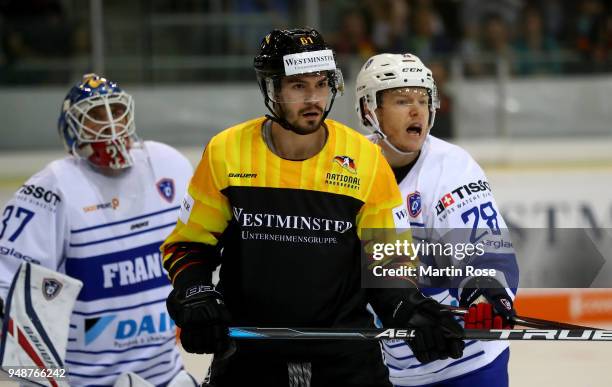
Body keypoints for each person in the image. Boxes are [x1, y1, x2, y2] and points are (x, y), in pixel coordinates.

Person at [161, 28, 464, 387]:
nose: (313, 99)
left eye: (321, 84)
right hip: (251, 358)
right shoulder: (226, 151)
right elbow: (189, 244)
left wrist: (408, 309)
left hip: (346, 360)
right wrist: (196, 292)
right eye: (298, 86)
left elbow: (390, 260)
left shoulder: (364, 159)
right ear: (271, 89)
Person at [0, 74, 196, 386]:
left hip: (169, 375)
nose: (111, 125)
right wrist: (35, 379)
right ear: (72, 128)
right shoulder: (50, 189)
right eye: (95, 115)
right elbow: (8, 288)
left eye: (116, 111)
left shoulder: (169, 164)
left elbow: (197, 249)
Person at [355, 53, 519, 387]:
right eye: (402, 100)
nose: (418, 110)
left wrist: (484, 291)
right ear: (369, 109)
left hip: (466, 363)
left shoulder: (451, 167)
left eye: (424, 99)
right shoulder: (348, 167)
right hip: (388, 366)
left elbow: (483, 245)